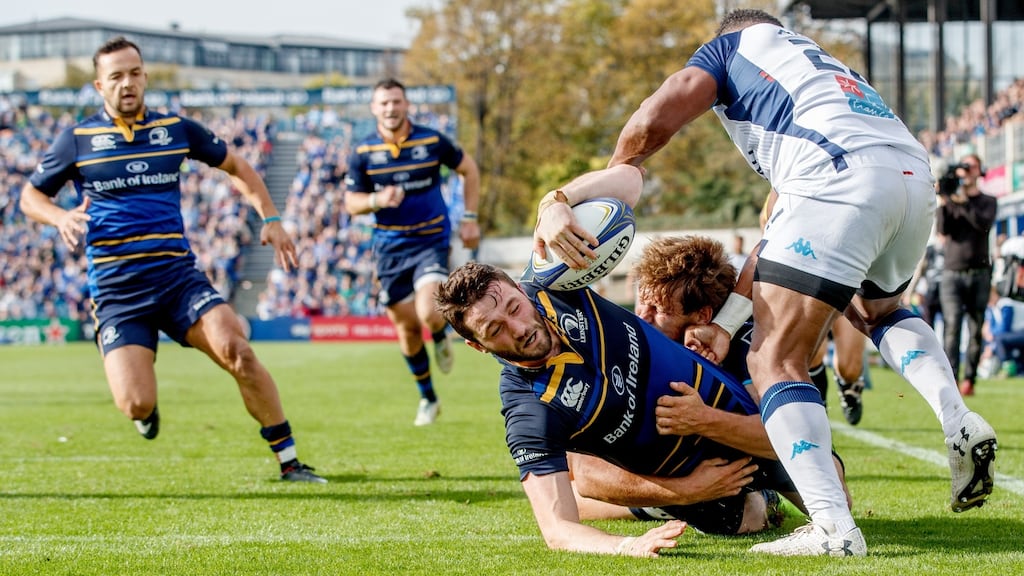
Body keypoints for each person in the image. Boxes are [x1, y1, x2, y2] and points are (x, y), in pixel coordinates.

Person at [536, 9, 997, 556]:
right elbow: (773, 236)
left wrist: (603, 182)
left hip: (837, 177)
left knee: (774, 361)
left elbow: (655, 116)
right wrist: (729, 324)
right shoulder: (821, 72)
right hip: (910, 176)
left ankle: (833, 530)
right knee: (877, 313)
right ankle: (957, 417)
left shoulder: (733, 50)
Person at [436, 165, 846, 556]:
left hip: (738, 418)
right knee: (751, 517)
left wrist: (556, 202)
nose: (517, 326)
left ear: (521, 291)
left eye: (512, 307)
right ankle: (661, 506)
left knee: (836, 497)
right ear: (478, 346)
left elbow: (630, 179)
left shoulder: (553, 281)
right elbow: (557, 528)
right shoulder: (529, 407)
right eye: (494, 331)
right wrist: (674, 500)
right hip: (692, 480)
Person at [19, 37, 325, 483]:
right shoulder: (77, 140)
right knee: (135, 403)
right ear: (99, 84)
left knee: (238, 350)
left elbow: (238, 167)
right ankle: (146, 408)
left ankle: (290, 461)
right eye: (117, 76)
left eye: (135, 72)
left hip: (178, 279)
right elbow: (30, 196)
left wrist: (272, 218)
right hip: (118, 291)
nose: (128, 82)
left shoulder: (176, 130)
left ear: (145, 77)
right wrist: (59, 216)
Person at [570, 233, 853, 534]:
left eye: (659, 309)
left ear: (703, 315)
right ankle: (669, 505)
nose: (643, 316)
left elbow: (790, 437)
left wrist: (704, 419)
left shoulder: (751, 347)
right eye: (642, 302)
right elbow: (587, 478)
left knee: (832, 498)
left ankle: (759, 493)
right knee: (746, 516)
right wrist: (685, 490)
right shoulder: (624, 344)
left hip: (748, 449)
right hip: (683, 469)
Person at [344, 78, 481, 426]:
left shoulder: (432, 140)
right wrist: (377, 199)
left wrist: (469, 217)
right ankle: (428, 398)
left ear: (406, 105)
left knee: (429, 311)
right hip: (389, 249)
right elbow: (351, 203)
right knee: (405, 329)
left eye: (396, 101)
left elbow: (469, 170)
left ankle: (437, 333)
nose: (391, 108)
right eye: (384, 103)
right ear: (374, 109)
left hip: (430, 240)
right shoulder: (362, 153)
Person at [936, 153, 997, 396]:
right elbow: (943, 229)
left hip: (980, 273)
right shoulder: (952, 200)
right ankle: (952, 378)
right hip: (952, 273)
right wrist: (944, 199)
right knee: (952, 327)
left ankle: (969, 379)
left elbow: (983, 224)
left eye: (971, 167)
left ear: (979, 171)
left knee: (975, 327)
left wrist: (962, 202)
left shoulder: (988, 201)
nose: (967, 171)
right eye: (964, 167)